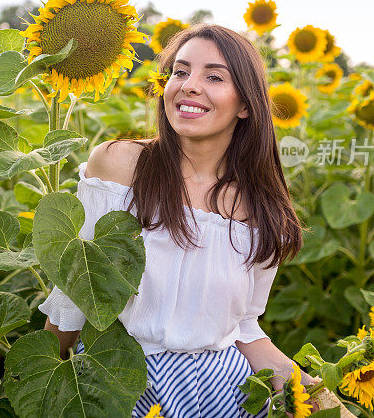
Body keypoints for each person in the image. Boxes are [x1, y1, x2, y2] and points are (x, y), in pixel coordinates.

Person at [40, 24, 321, 417]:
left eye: (214, 76)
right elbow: (75, 292)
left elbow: (244, 328)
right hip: (118, 379)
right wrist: (39, 378)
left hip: (225, 393)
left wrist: (317, 397)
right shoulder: (121, 165)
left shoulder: (258, 208)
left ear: (245, 105)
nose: (189, 85)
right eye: (181, 71)